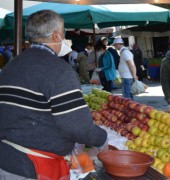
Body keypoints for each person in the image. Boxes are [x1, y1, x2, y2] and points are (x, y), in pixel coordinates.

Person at [0, 10, 108, 179]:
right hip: (33, 169)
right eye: (64, 31)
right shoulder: (59, 70)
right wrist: (101, 139)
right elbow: (76, 126)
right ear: (57, 36)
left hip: (5, 162)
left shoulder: (10, 67)